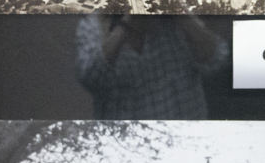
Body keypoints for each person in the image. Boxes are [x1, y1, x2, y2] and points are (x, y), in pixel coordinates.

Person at [75, 12, 226, 119]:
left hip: (183, 143)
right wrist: (127, 23)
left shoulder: (178, 23)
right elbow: (90, 77)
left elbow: (216, 59)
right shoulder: (94, 26)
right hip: (127, 149)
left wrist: (180, 15)